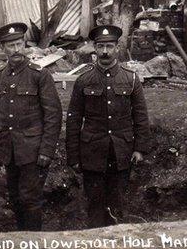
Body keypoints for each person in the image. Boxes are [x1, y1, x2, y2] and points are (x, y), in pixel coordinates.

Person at [65, 25, 150, 228]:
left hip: (121, 152)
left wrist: (139, 148)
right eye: (101, 46)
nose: (105, 51)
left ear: (117, 48)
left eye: (109, 46)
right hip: (92, 152)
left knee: (117, 204)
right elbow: (74, 119)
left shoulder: (131, 79)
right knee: (95, 204)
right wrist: (74, 156)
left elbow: (140, 116)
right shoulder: (83, 80)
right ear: (94, 48)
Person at [0, 22, 62, 230]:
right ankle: (21, 239)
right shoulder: (1, 76)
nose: (16, 50)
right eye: (11, 46)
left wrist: (47, 150)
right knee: (15, 197)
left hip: (32, 151)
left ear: (25, 44)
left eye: (19, 44)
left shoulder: (39, 75)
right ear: (3, 49)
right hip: (8, 149)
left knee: (30, 199)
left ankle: (33, 242)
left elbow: (53, 115)